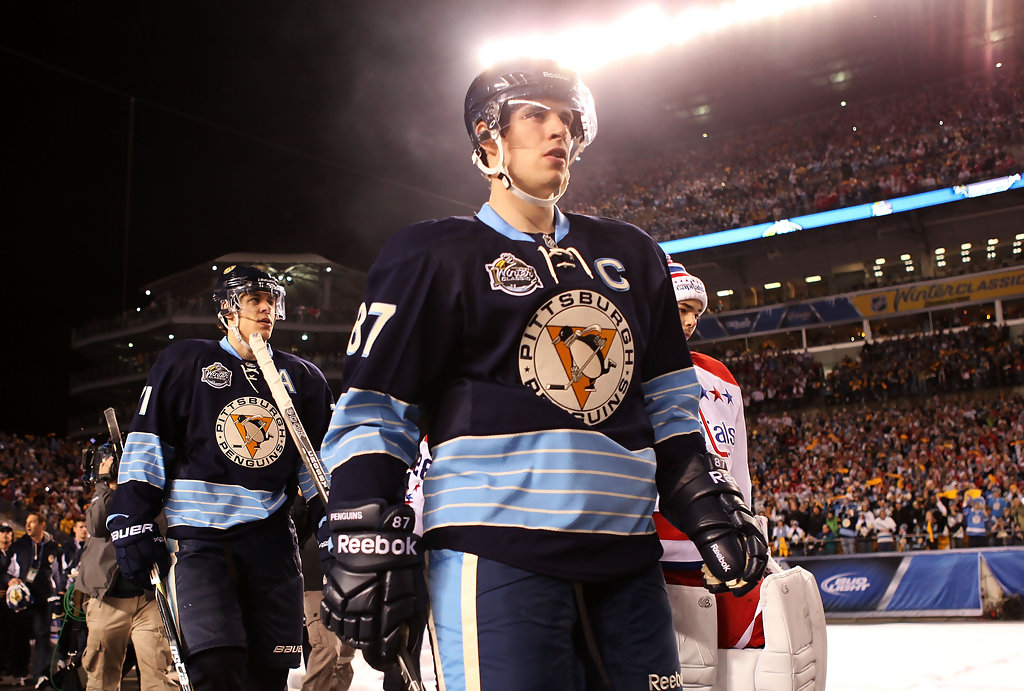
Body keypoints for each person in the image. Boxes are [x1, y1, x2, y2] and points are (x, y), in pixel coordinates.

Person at [318, 58, 768, 691]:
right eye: (535, 115)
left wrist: (705, 504)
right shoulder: (433, 254)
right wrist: (361, 525)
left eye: (568, 120)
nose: (559, 131)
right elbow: (375, 412)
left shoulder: (633, 255)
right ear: (487, 140)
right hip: (498, 556)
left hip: (627, 560)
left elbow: (668, 411)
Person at [107, 265, 335, 691]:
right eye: (254, 300)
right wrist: (132, 517)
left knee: (269, 674)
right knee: (216, 667)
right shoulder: (185, 361)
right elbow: (150, 440)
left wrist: (337, 528)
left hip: (271, 542)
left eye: (271, 300)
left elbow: (318, 468)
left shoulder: (303, 379)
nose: (266, 308)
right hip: (202, 542)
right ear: (227, 310)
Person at [78, 445, 177, 691]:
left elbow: (164, 526)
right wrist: (106, 484)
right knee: (102, 679)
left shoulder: (156, 492)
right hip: (108, 599)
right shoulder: (106, 492)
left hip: (149, 599)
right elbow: (97, 526)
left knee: (160, 676)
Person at [6, 511, 61, 689]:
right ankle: (19, 672)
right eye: (27, 522)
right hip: (22, 600)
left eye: (32, 522)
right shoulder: (19, 546)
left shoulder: (52, 546)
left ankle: (41, 675)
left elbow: (57, 572)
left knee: (42, 637)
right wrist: (10, 581)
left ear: (42, 524)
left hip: (44, 598)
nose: (28, 525)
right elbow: (6, 570)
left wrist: (58, 591)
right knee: (20, 637)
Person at [0, 523, 18, 685]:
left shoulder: (15, 553)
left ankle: (9, 667)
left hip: (12, 603)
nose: (5, 535)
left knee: (11, 636)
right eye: (2, 532)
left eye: (8, 532)